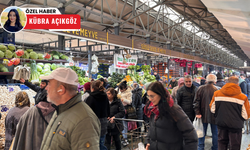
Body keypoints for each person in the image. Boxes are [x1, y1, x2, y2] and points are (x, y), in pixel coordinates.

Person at [39, 68, 101, 150]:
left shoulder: (85, 121)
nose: (46, 88)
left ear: (61, 89)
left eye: (49, 84)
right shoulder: (60, 109)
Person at [144, 82, 198, 150]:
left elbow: (190, 135)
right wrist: (147, 141)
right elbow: (152, 128)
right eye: (148, 96)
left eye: (152, 96)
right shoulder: (153, 109)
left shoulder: (174, 110)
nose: (150, 99)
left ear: (160, 94)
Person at [210, 76, 250, 150]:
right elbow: (246, 115)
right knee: (235, 145)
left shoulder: (217, 94)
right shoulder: (243, 97)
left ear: (226, 82)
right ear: (238, 84)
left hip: (221, 124)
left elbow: (212, 109)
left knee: (222, 144)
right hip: (236, 126)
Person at [193, 74, 219, 150]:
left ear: (206, 80)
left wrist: (197, 112)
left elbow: (196, 102)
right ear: (215, 81)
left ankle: (200, 148)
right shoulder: (218, 90)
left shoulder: (200, 89)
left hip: (202, 114)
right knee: (215, 133)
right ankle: (215, 147)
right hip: (215, 115)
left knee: (201, 132)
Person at [85, 80, 110, 150]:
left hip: (93, 124)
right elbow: (108, 110)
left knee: (94, 144)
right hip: (104, 123)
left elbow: (86, 112)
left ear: (92, 88)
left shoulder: (90, 98)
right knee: (101, 142)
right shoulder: (105, 97)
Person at [117, 81, 132, 146]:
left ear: (125, 88)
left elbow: (130, 102)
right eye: (120, 89)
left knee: (124, 124)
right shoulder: (119, 91)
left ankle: (125, 139)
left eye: (122, 89)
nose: (120, 90)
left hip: (125, 110)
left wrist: (122, 99)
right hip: (119, 109)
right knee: (120, 124)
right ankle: (121, 138)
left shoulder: (129, 93)